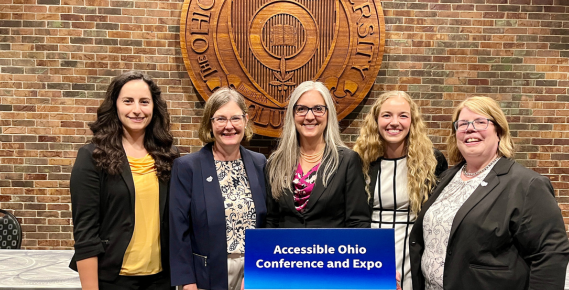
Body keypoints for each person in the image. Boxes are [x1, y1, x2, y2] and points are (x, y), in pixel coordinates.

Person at [409, 96, 569, 290]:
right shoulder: (446, 179)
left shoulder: (526, 185)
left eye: (480, 122)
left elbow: (550, 255)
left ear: (499, 132)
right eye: (462, 124)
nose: (470, 128)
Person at [70, 71, 179, 290]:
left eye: (144, 102)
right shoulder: (92, 157)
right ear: (115, 105)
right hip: (114, 280)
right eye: (128, 101)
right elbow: (86, 234)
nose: (137, 110)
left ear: (154, 108)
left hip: (161, 280)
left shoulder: (169, 156)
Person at [169, 88, 267, 290]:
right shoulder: (188, 167)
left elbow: (267, 223)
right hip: (206, 276)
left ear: (245, 120)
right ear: (210, 123)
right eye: (220, 119)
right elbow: (178, 231)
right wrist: (187, 282)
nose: (229, 126)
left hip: (253, 274)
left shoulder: (260, 163)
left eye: (235, 118)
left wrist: (257, 273)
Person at [353, 91, 448, 290]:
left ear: (412, 121)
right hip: (370, 257)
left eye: (403, 115)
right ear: (376, 120)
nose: (394, 122)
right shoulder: (359, 161)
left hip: (414, 257)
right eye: (387, 115)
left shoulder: (432, 162)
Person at [265, 81, 370, 228]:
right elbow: (272, 220)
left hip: (332, 249)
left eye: (318, 109)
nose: (309, 116)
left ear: (328, 114)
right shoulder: (276, 162)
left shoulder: (347, 161)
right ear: (292, 115)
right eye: (301, 109)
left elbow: (358, 222)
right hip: (287, 249)